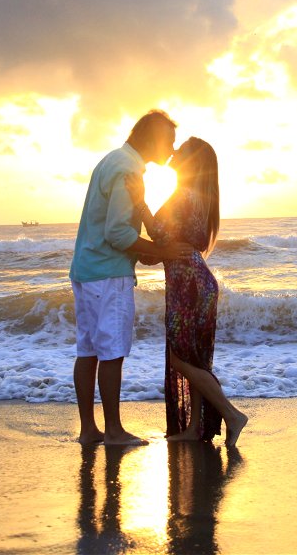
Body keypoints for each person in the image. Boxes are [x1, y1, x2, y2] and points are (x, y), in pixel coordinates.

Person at [70, 110, 194, 446]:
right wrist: (163, 252)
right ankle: (113, 431)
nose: (171, 148)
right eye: (168, 141)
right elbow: (117, 233)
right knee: (111, 352)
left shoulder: (112, 160)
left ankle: (88, 430)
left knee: (89, 350)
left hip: (85, 269)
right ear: (152, 138)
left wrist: (149, 248)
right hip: (108, 273)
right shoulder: (129, 170)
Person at [126, 137, 248, 447]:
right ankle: (195, 428)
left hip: (190, 285)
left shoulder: (186, 193)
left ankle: (232, 415)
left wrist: (139, 203)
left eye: (181, 150)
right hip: (194, 283)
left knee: (181, 359)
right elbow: (168, 242)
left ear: (191, 160)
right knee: (193, 358)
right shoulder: (196, 194)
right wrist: (151, 250)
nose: (175, 152)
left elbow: (161, 232)